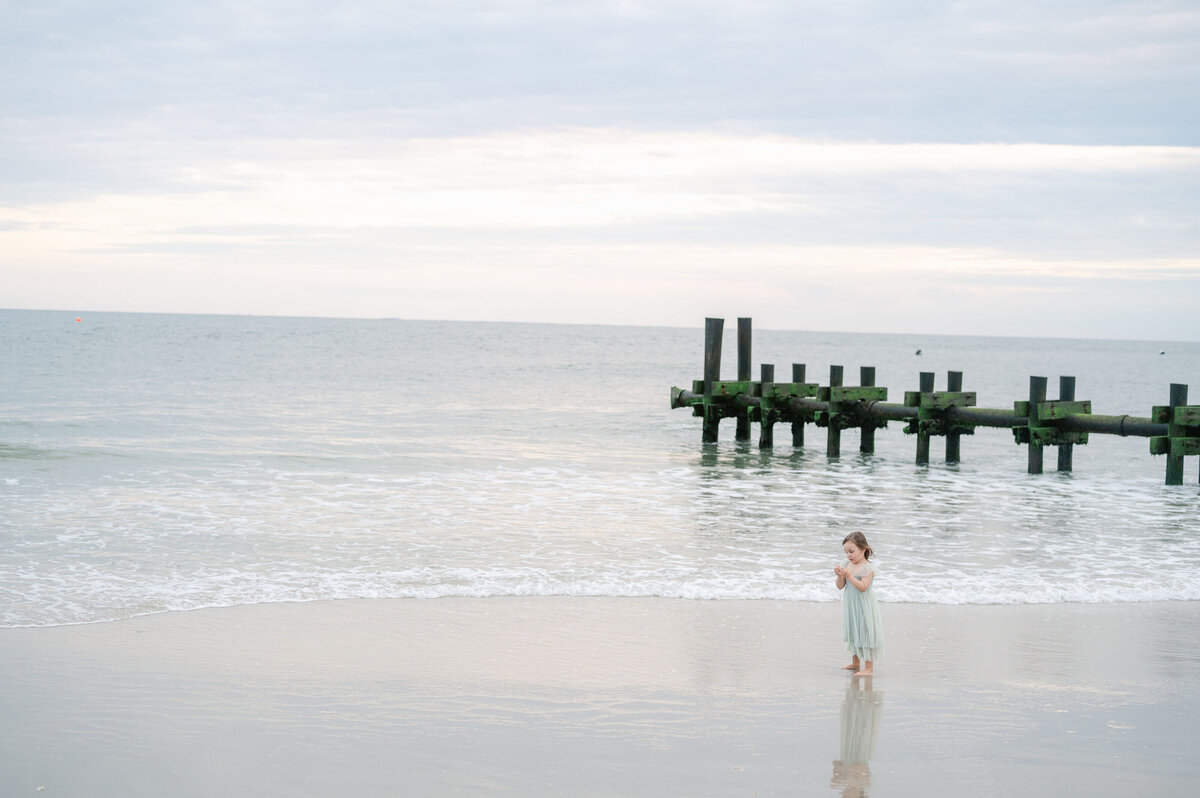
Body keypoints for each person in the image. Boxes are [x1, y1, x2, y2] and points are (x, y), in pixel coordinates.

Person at [834, 531, 884, 676]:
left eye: (851, 551)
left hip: (864, 605)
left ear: (863, 549)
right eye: (846, 552)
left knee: (865, 632)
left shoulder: (868, 567)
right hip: (851, 604)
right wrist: (840, 576)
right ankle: (855, 662)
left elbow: (863, 587)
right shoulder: (846, 564)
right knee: (853, 630)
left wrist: (849, 575)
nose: (848, 555)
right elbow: (840, 586)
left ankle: (869, 668)